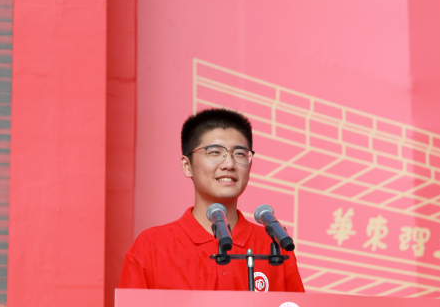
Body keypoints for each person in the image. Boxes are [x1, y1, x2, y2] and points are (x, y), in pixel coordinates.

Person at [118, 108, 305, 292]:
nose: (229, 164)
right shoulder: (151, 247)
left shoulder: (274, 245)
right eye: (215, 152)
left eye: (240, 154)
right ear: (187, 165)